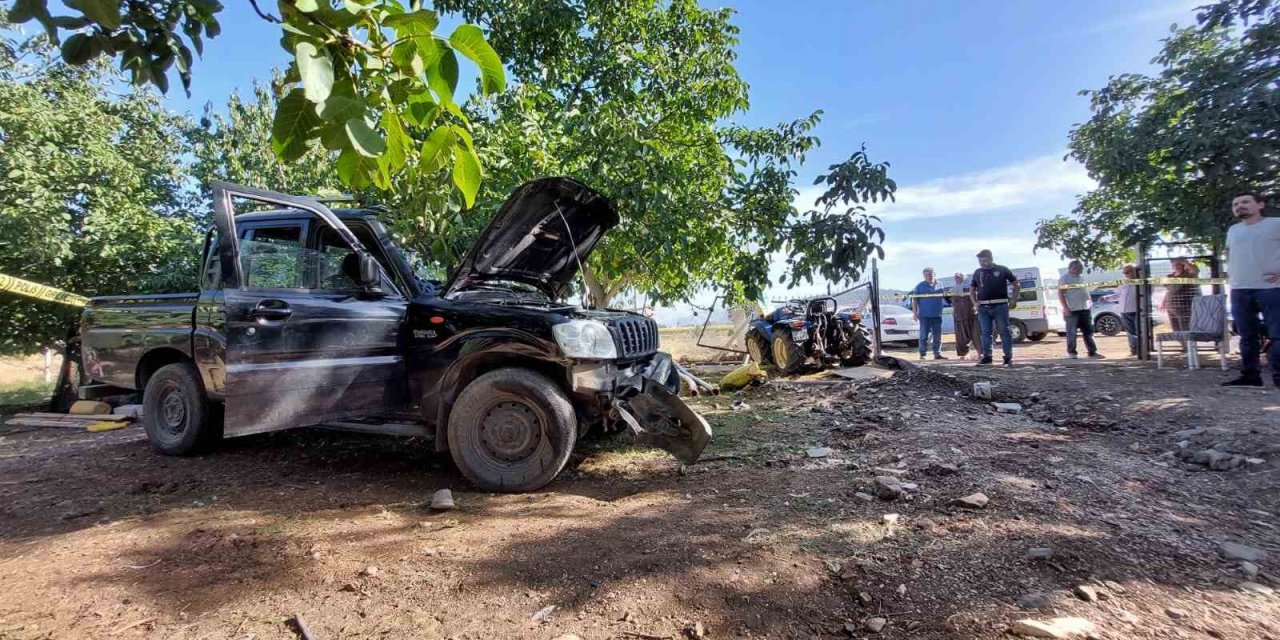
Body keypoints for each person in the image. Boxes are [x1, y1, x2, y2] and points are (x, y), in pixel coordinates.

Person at [1222, 191, 1280, 387]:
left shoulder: (1275, 224)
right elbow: (1231, 255)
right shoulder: (1233, 230)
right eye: (1235, 204)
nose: (1240, 206)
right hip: (1239, 288)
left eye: (1245, 202)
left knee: (1277, 334)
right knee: (1246, 335)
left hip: (1271, 288)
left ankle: (1278, 376)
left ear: (1260, 204)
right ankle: (1250, 375)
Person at [970, 250, 1020, 367]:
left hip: (1000, 305)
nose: (982, 263)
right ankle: (987, 357)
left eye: (985, 261)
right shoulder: (978, 272)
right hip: (983, 307)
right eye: (980, 261)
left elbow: (1016, 284)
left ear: (991, 259)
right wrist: (975, 302)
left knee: (1004, 332)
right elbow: (972, 289)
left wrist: (1013, 299)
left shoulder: (1002, 269)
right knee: (986, 333)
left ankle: (1007, 358)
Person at [1058, 259, 1104, 359]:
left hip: (1085, 309)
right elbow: (1061, 294)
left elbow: (1084, 291)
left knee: (1088, 332)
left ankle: (1092, 352)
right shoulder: (1064, 278)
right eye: (1080, 268)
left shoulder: (1081, 278)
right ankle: (1072, 353)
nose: (1082, 270)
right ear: (1073, 268)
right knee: (1072, 333)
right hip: (1072, 310)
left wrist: (1089, 301)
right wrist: (1065, 308)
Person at [910, 267, 948, 360]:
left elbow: (946, 296)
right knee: (924, 336)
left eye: (930, 274)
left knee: (937, 336)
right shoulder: (920, 286)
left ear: (934, 274)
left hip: (937, 315)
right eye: (926, 275)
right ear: (924, 276)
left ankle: (937, 354)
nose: (929, 276)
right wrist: (915, 313)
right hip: (924, 315)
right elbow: (914, 300)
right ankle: (923, 354)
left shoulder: (940, 284)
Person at [1160, 259, 1201, 333]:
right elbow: (1169, 291)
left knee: (1186, 329)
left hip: (1184, 308)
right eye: (1173, 264)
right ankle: (1183, 344)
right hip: (1171, 307)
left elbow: (1195, 271)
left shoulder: (1188, 275)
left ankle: (1189, 344)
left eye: (1178, 264)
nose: (1175, 266)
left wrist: (1184, 261)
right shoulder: (1170, 276)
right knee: (1176, 331)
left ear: (1183, 265)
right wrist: (1163, 303)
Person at [1112, 264, 1141, 356]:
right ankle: (1134, 350)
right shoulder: (1123, 283)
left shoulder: (1141, 282)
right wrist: (1106, 297)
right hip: (1125, 311)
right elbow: (1117, 295)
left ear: (1134, 271)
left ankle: (1141, 349)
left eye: (1127, 272)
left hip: (1137, 311)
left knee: (1139, 331)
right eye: (1124, 273)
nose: (1125, 274)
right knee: (1130, 333)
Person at [950, 272, 981, 360]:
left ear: (965, 277)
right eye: (956, 277)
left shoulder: (971, 286)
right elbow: (953, 301)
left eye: (960, 276)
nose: (957, 278)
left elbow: (976, 297)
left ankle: (980, 353)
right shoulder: (953, 289)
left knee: (977, 335)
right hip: (960, 315)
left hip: (973, 314)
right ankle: (964, 354)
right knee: (961, 337)